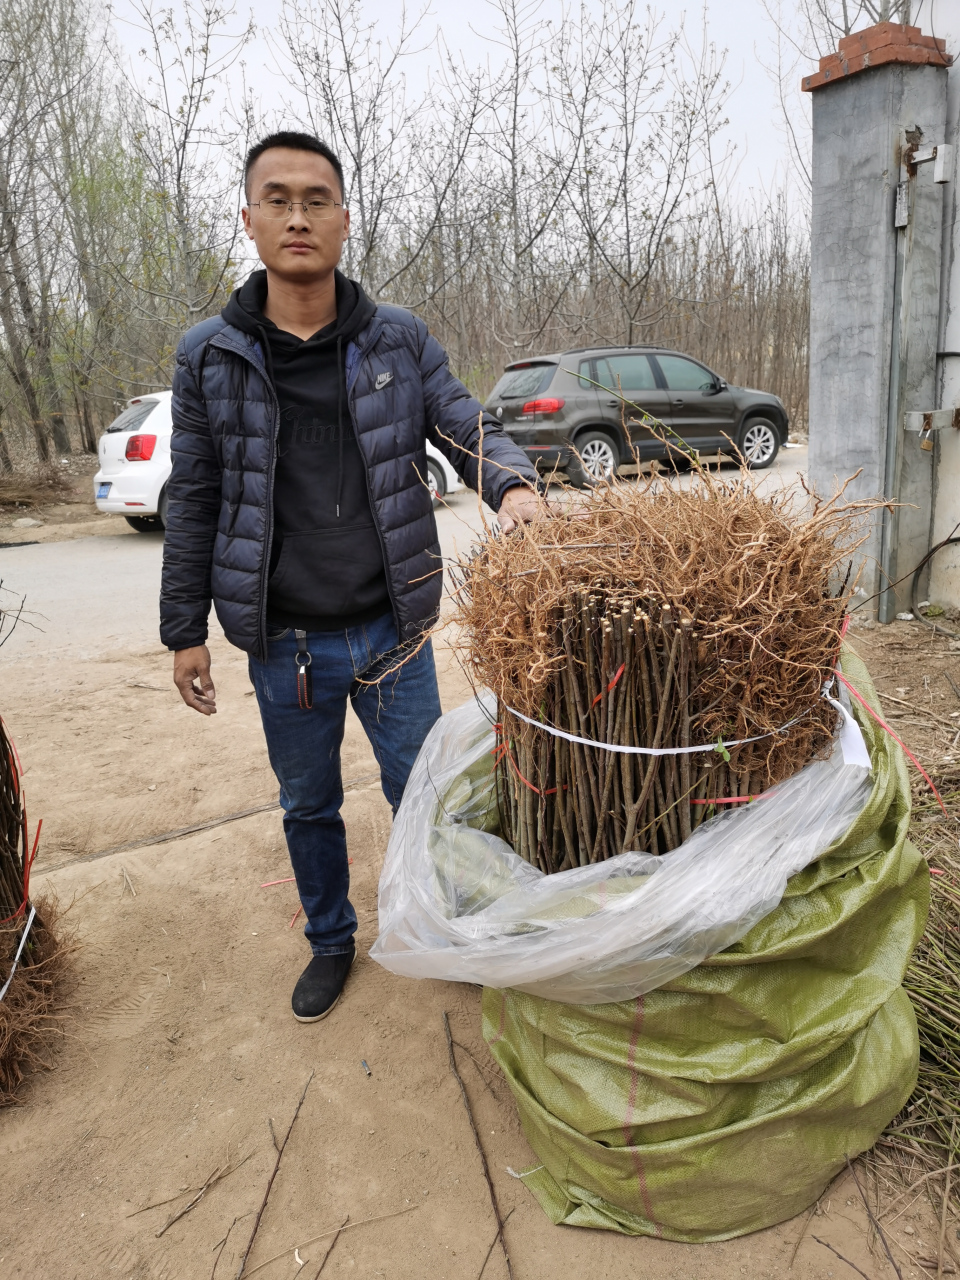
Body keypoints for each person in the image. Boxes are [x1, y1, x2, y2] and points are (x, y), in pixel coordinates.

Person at [159, 131, 540, 1023]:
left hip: (392, 630)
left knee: (423, 789)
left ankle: (441, 922)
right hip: (282, 641)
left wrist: (514, 487)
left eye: (317, 198)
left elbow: (460, 419)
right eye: (279, 198)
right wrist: (183, 631)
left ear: (342, 218)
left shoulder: (395, 338)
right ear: (249, 218)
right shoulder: (208, 355)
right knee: (309, 803)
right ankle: (332, 940)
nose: (299, 216)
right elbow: (195, 497)